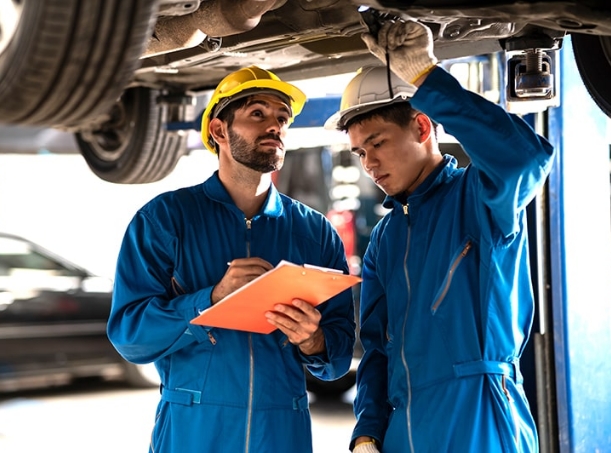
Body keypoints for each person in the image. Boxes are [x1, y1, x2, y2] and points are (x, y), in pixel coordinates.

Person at [324, 20, 555, 453]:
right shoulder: (385, 238)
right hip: (405, 429)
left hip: (480, 418)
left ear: (423, 127)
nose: (368, 164)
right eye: (360, 152)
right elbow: (376, 347)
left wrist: (427, 77)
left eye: (377, 143)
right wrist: (368, 431)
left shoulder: (479, 198)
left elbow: (525, 159)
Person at [107, 65, 356, 453]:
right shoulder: (165, 220)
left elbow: (338, 358)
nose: (274, 126)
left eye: (281, 118)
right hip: (195, 431)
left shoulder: (314, 231)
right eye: (257, 114)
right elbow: (130, 336)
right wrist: (210, 299)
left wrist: (314, 339)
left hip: (281, 432)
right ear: (219, 131)